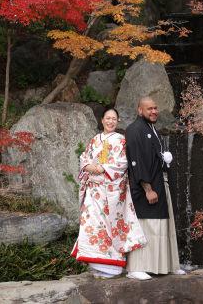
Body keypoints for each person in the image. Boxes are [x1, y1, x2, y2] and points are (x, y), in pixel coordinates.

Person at [72, 108, 147, 278]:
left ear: (117, 122)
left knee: (110, 225)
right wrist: (89, 167)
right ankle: (99, 264)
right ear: (102, 120)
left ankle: (113, 267)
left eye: (114, 119)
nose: (111, 121)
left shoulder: (121, 140)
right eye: (108, 118)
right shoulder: (94, 140)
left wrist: (103, 168)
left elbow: (124, 162)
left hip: (112, 190)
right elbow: (84, 157)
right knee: (92, 224)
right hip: (94, 190)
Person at [124, 97, 185, 280]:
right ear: (139, 110)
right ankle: (136, 267)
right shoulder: (134, 129)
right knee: (147, 226)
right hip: (145, 187)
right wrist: (147, 189)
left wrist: (162, 157)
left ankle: (166, 265)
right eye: (149, 108)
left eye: (156, 108)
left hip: (160, 182)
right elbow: (136, 162)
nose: (154, 111)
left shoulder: (150, 128)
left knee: (163, 226)